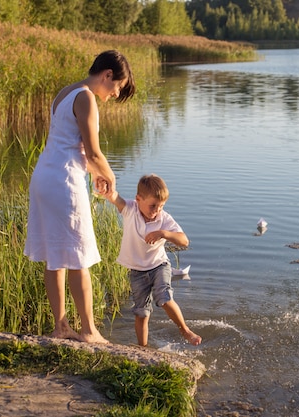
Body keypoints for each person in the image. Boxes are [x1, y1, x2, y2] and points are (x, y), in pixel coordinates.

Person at [24, 50, 135, 344]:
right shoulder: (85, 97)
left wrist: (95, 172)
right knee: (78, 257)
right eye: (117, 88)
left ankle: (61, 327)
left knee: (54, 257)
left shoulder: (65, 92)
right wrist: (109, 177)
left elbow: (70, 146)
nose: (113, 95)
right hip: (63, 183)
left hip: (44, 177)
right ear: (107, 75)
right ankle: (89, 331)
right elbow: (94, 151)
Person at [103, 174, 202, 347]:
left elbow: (184, 241)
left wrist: (164, 233)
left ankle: (185, 330)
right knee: (141, 313)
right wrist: (107, 189)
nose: (156, 210)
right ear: (138, 199)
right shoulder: (130, 209)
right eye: (153, 206)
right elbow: (114, 197)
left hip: (159, 266)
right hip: (137, 272)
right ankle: (143, 348)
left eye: (161, 206)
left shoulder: (164, 219)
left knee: (163, 297)